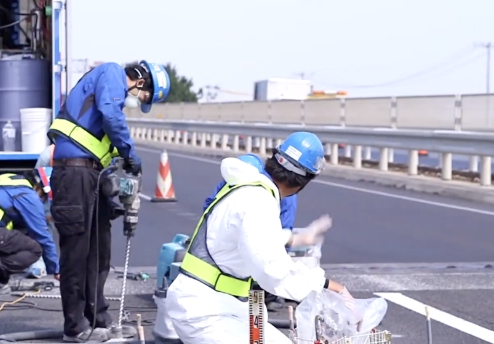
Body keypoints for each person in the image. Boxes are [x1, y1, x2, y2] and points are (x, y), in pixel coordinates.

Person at [165, 132, 361, 344]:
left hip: (221, 305)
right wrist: (329, 286)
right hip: (205, 311)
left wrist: (294, 238)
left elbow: (250, 238)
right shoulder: (259, 200)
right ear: (303, 182)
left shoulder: (249, 188)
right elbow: (272, 272)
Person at [47, 60, 171, 342]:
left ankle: (98, 320)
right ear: (141, 82)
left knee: (99, 251)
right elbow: (111, 116)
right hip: (74, 172)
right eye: (144, 97)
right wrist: (129, 153)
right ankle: (75, 327)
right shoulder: (112, 73)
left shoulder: (107, 95)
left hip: (91, 175)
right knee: (77, 252)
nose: (138, 101)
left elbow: (105, 135)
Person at [202, 152, 307, 311]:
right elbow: (282, 233)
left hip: (218, 269)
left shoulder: (232, 184)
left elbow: (208, 211)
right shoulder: (266, 193)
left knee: (252, 321)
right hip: (234, 273)